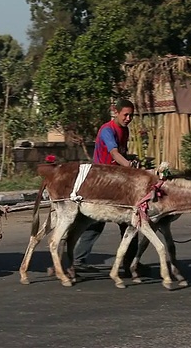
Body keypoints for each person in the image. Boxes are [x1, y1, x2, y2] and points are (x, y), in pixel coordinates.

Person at [72, 99, 150, 277]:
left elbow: (120, 155)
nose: (128, 118)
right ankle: (78, 260)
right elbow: (114, 153)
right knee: (98, 222)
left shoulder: (125, 130)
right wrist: (129, 165)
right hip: (102, 180)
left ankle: (129, 263)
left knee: (126, 221)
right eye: (126, 114)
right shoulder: (107, 130)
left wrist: (132, 160)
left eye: (131, 115)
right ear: (116, 112)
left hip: (116, 180)